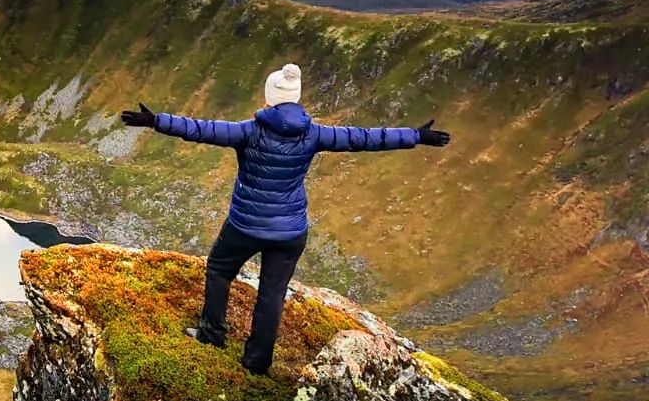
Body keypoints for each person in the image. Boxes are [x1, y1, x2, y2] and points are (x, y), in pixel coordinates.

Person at [120, 63, 450, 375]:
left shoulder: (248, 131)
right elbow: (363, 138)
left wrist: (156, 121)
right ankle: (256, 363)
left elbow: (200, 129)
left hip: (245, 225)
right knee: (272, 293)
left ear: (270, 98)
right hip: (291, 231)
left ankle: (212, 335)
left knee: (220, 270)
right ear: (295, 98)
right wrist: (416, 136)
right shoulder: (315, 134)